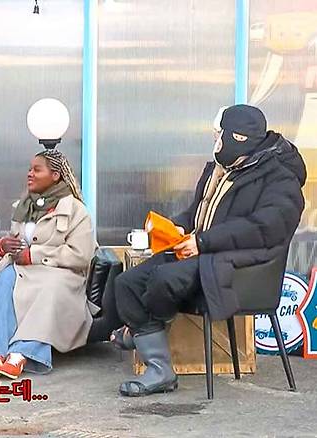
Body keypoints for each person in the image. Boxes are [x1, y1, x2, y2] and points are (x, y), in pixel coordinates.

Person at [112, 104, 306, 396]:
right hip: (205, 253)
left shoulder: (281, 179)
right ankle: (153, 352)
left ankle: (144, 341)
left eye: (219, 135)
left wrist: (203, 242)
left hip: (241, 265)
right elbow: (196, 214)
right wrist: (175, 228)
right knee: (127, 282)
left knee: (164, 279)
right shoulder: (219, 170)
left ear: (237, 137)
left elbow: (263, 228)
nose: (215, 142)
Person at [0, 149, 97, 379]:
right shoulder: (24, 206)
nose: (29, 174)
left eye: (37, 170)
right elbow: (15, 243)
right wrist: (2, 247)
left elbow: (81, 255)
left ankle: (21, 353)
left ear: (55, 176)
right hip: (24, 269)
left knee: (50, 286)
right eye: (29, 169)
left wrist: (35, 255)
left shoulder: (76, 211)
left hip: (61, 273)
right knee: (4, 278)